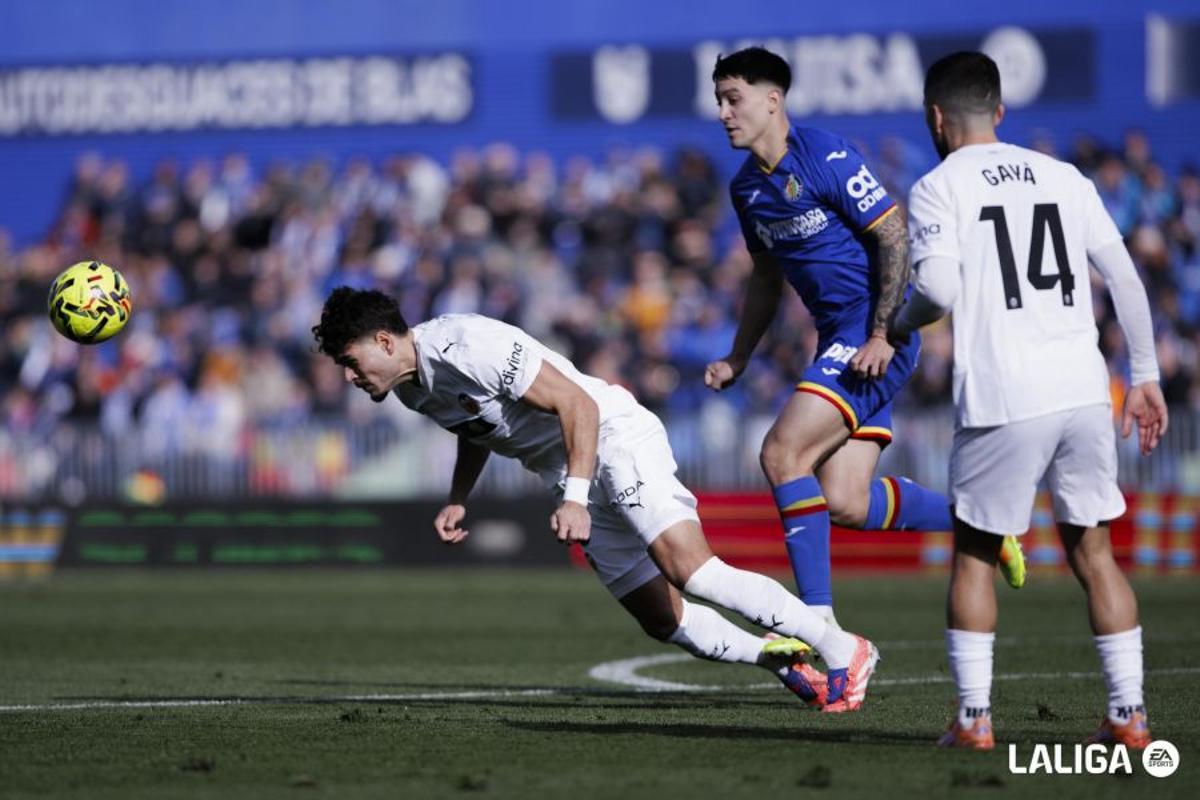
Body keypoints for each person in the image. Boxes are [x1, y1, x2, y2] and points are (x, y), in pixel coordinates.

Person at [312, 287, 879, 711]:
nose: (350, 376)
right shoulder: (412, 390)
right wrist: (460, 496)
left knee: (692, 571)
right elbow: (473, 426)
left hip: (612, 438)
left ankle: (844, 647)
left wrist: (577, 498)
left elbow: (577, 404)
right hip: (571, 475)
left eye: (350, 361)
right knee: (660, 618)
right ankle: (777, 657)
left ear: (384, 341)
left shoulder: (468, 345)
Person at [888, 52, 1169, 750]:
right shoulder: (1064, 177)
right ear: (1000, 113)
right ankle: (1130, 716)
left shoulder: (937, 186)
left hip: (1003, 393)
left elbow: (941, 293)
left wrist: (892, 320)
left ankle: (975, 721)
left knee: (976, 556)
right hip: (1081, 389)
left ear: (935, 118)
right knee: (1095, 553)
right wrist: (1144, 374)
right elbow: (1125, 278)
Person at [705, 47, 1026, 628]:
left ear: (773, 100)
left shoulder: (824, 153)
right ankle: (980, 523)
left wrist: (881, 332)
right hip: (841, 337)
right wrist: (738, 355)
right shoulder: (747, 189)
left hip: (876, 331)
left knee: (782, 453)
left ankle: (818, 627)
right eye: (720, 101)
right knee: (847, 501)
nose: (724, 113)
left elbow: (894, 235)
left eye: (735, 99)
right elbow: (766, 279)